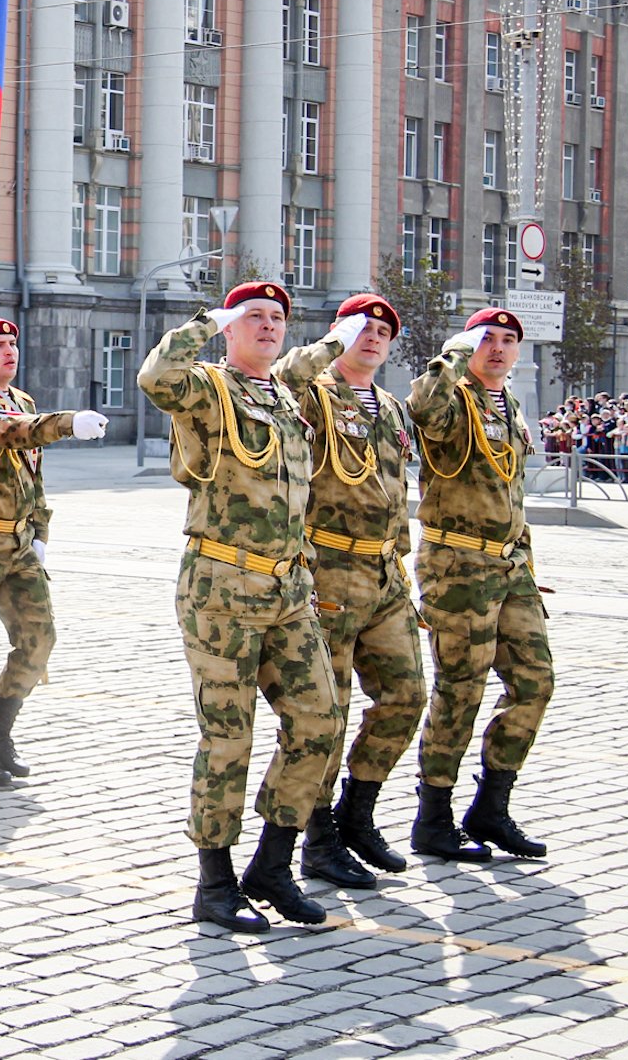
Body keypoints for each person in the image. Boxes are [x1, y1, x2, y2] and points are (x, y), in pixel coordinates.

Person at [138, 281, 342, 934]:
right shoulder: (208, 388)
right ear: (230, 327)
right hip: (221, 584)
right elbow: (155, 375)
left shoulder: (282, 395)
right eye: (253, 316)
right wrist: (205, 320)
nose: (267, 326)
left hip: (286, 587)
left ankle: (273, 865)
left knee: (319, 719)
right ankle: (215, 881)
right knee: (228, 735)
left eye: (277, 318)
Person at [272, 294, 426, 891]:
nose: (374, 336)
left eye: (384, 329)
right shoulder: (314, 392)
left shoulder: (388, 406)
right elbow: (287, 373)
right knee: (326, 713)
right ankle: (318, 838)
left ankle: (357, 813)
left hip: (385, 575)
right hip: (329, 572)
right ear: (338, 332)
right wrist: (332, 345)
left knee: (406, 695)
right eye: (362, 326)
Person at [409, 308, 554, 861]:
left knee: (536, 682)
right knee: (460, 689)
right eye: (486, 339)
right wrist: (451, 355)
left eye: (507, 340)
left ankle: (491, 807)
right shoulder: (454, 398)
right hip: (458, 566)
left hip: (510, 566)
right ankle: (434, 817)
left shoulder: (509, 404)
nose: (497, 348)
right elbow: (422, 409)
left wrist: (527, 566)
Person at [0, 316, 107, 785]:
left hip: (18, 543)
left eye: (13, 343)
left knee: (40, 638)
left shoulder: (21, 400)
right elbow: (8, 433)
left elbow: (33, 477)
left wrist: (40, 530)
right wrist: (67, 423)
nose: (9, 351)